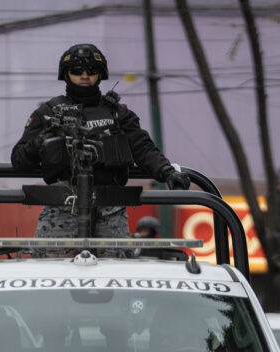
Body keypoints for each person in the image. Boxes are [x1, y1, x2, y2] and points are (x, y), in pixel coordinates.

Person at [10, 43, 190, 237]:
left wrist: (168, 172)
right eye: (77, 70)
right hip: (61, 206)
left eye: (91, 70)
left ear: (100, 74)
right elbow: (19, 160)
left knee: (116, 258)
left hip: (110, 208)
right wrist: (42, 140)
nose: (84, 75)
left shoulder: (118, 114)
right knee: (49, 258)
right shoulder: (48, 112)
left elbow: (144, 149)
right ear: (66, 73)